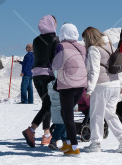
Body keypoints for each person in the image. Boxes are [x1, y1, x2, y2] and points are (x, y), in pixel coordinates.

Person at [81, 27, 122, 153]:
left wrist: (89, 89)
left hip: (101, 86)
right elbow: (119, 67)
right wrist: (121, 85)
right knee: (110, 114)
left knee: (96, 115)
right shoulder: (111, 46)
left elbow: (94, 71)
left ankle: (95, 143)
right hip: (114, 85)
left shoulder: (94, 49)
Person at [23, 15, 60, 147]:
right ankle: (32, 130)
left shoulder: (35, 40)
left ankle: (46, 134)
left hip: (36, 75)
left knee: (47, 104)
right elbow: (57, 58)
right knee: (48, 105)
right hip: (48, 75)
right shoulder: (55, 39)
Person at [51, 23, 87, 156]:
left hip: (67, 84)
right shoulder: (82, 47)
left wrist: (50, 64)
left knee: (68, 115)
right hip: (80, 84)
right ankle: (67, 143)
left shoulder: (61, 46)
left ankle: (74, 146)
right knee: (65, 112)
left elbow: (56, 64)